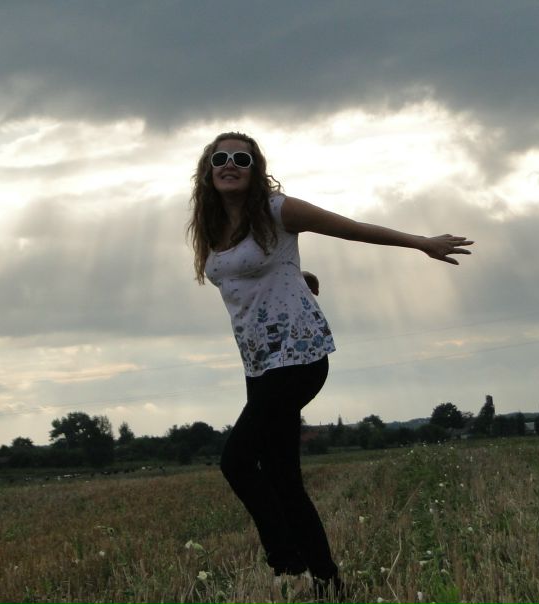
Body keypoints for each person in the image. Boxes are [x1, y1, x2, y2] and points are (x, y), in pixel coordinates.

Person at [187, 132, 473, 598]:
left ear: (256, 169)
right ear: (208, 170)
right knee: (283, 480)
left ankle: (286, 558)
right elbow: (255, 270)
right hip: (258, 363)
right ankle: (330, 585)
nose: (230, 164)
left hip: (299, 355)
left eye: (242, 158)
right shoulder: (211, 227)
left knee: (236, 461)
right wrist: (297, 274)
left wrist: (420, 242)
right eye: (221, 158)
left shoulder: (278, 210)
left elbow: (349, 228)